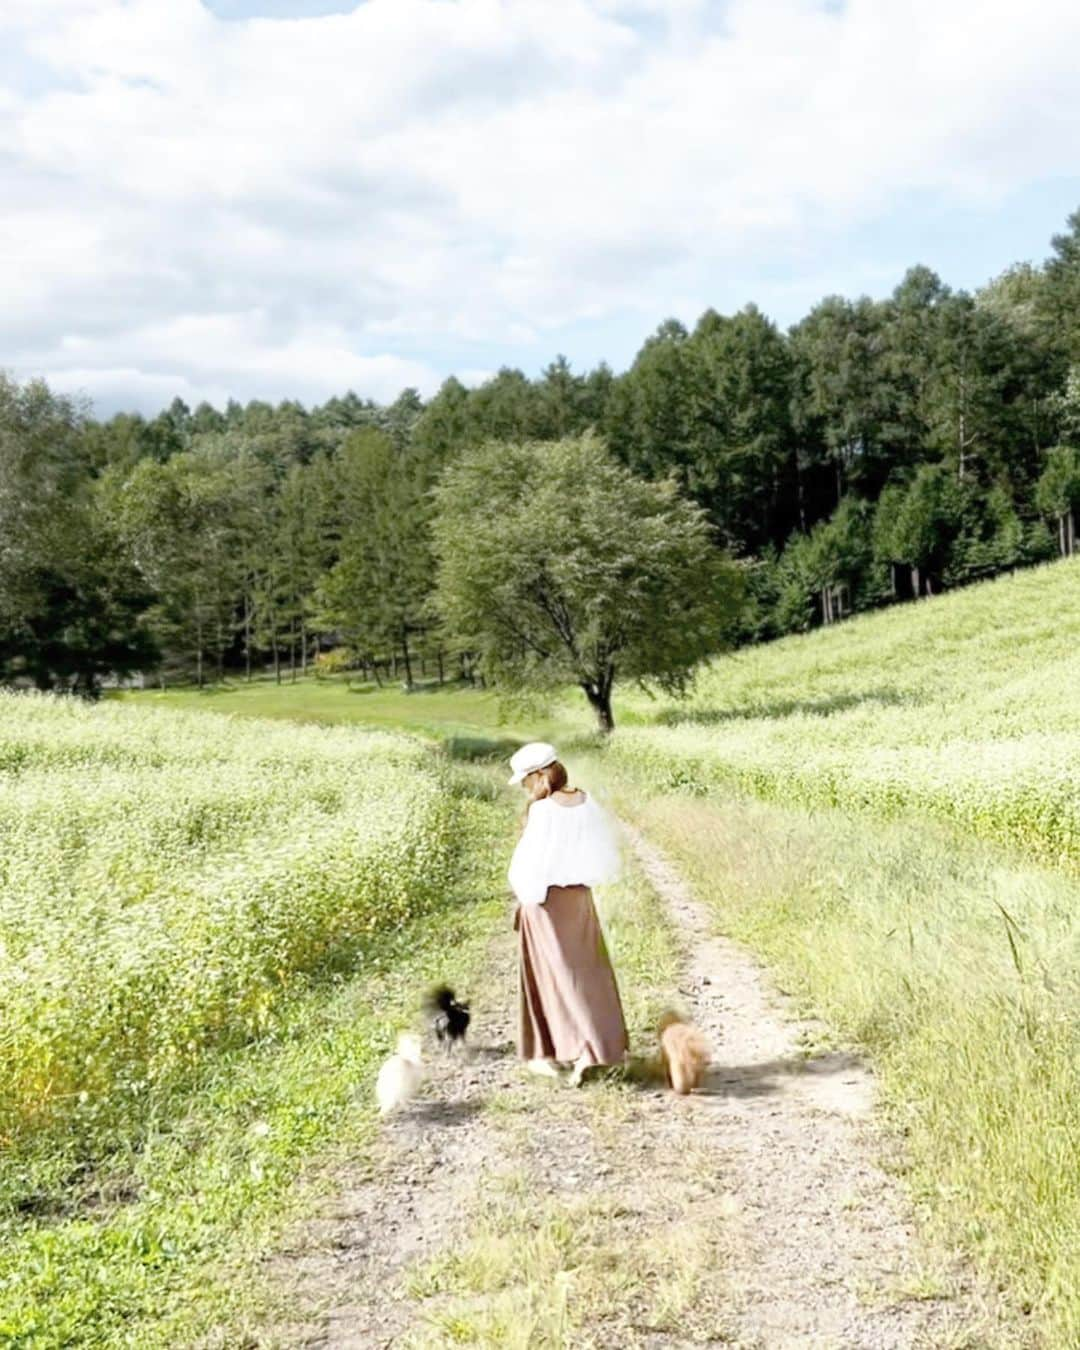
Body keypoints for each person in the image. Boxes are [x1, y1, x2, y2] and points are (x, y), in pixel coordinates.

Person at [507, 741, 628, 1086]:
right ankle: (601, 1049)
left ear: (542, 775)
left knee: (550, 978)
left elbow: (527, 865)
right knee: (590, 974)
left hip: (546, 902)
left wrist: (526, 897)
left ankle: (554, 1051)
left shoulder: (543, 811)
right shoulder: (588, 802)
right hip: (581, 900)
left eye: (528, 781)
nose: (526, 789)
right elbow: (603, 853)